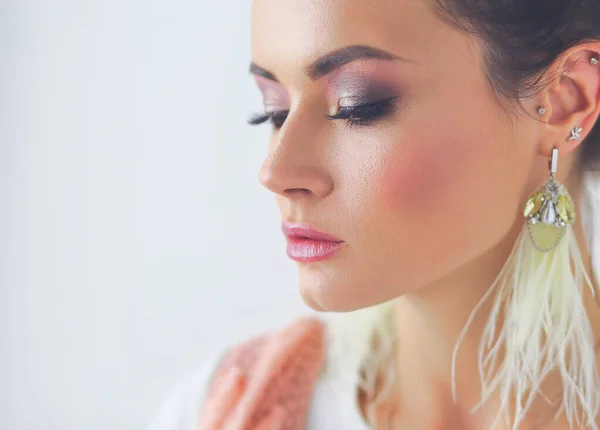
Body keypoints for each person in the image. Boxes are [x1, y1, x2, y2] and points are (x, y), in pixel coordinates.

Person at [147, 0, 600, 429]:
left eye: (356, 105)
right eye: (274, 111)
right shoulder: (223, 406)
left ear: (563, 101)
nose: (276, 172)